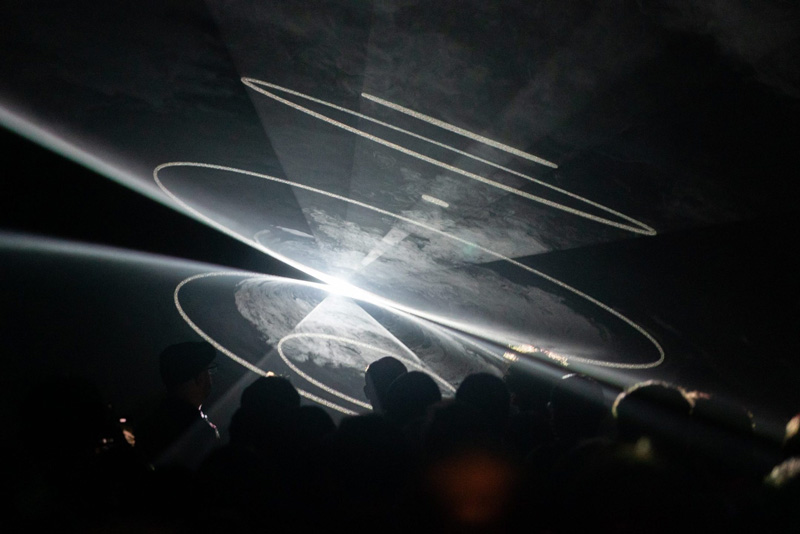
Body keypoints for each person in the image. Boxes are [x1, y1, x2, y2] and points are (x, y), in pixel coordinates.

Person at [137, 341, 220, 470]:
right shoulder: (201, 433)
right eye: (208, 371)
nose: (210, 377)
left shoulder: (148, 422)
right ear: (200, 378)